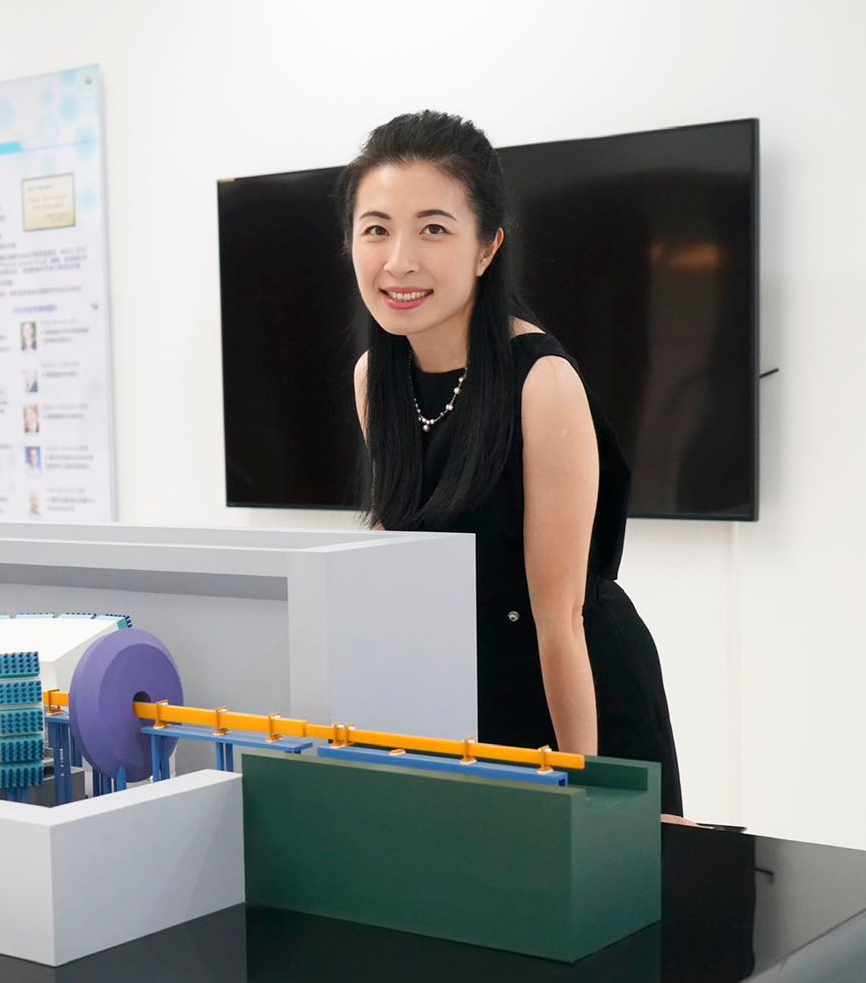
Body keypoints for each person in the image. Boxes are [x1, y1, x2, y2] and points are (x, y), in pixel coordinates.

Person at [338, 110, 688, 821]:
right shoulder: (375, 377)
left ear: (487, 247)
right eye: (376, 228)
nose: (398, 260)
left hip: (577, 695)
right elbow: (401, 564)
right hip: (467, 693)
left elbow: (558, 618)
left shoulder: (541, 380)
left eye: (434, 229)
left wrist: (586, 793)